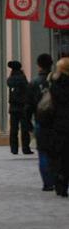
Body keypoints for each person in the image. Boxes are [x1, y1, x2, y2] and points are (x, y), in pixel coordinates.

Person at [43, 57, 69, 197]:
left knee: (59, 157)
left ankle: (61, 185)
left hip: (57, 126)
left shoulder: (53, 85)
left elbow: (47, 108)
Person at [31, 55, 55, 191]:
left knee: (43, 153)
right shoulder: (57, 82)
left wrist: (27, 123)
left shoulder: (34, 83)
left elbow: (28, 105)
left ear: (38, 65)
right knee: (58, 152)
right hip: (58, 122)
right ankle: (60, 180)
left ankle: (47, 182)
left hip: (41, 121)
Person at [6, 60, 33, 155]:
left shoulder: (11, 78)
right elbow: (27, 91)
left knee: (13, 129)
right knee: (24, 129)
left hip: (13, 107)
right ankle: (26, 148)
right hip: (23, 107)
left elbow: (9, 83)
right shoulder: (22, 78)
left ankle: (14, 148)